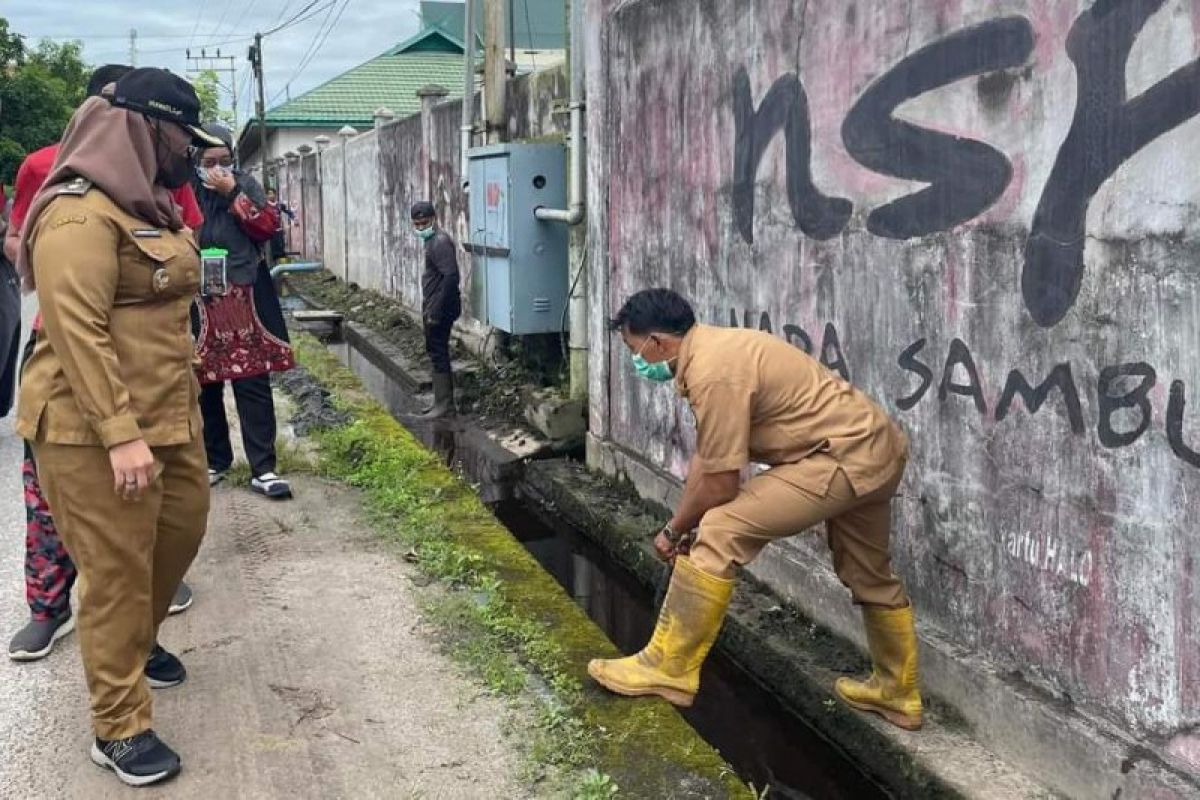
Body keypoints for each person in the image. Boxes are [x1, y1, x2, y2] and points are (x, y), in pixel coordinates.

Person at [13, 67, 222, 785]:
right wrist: (120, 433)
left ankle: (134, 642)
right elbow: (76, 330)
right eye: (181, 138)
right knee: (117, 574)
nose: (189, 154)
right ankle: (119, 725)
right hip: (90, 430)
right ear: (144, 127)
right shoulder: (78, 213)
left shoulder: (149, 205)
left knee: (182, 532)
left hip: (169, 415)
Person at [587, 289, 923, 731]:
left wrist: (675, 531)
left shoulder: (712, 373)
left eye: (635, 351)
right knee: (867, 571)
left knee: (721, 530)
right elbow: (708, 463)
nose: (638, 362)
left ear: (658, 342)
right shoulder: (717, 351)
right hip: (875, 448)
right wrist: (679, 524)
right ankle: (898, 692)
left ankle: (668, 667)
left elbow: (724, 485)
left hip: (841, 456)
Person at [191, 124, 294, 498]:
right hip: (201, 300)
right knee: (205, 383)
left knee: (252, 380)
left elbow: (266, 227)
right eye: (208, 162)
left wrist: (232, 192)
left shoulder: (244, 184)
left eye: (224, 160)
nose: (217, 168)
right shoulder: (183, 189)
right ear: (194, 160)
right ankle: (215, 460)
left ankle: (263, 468)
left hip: (244, 294)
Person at [411, 201, 461, 418]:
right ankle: (440, 401)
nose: (421, 228)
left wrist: (436, 309)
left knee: (438, 351)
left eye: (425, 223)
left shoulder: (439, 242)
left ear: (434, 218)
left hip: (440, 306)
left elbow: (451, 277)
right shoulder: (432, 241)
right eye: (417, 224)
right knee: (435, 351)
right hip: (435, 304)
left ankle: (445, 404)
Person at [266, 187, 295, 262]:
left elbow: (288, 211)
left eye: (272, 194)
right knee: (273, 249)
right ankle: (274, 265)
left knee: (281, 247)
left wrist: (293, 217)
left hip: (279, 230)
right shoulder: (265, 206)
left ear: (275, 195)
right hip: (270, 231)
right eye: (269, 194)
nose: (270, 196)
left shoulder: (279, 205)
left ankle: (282, 266)